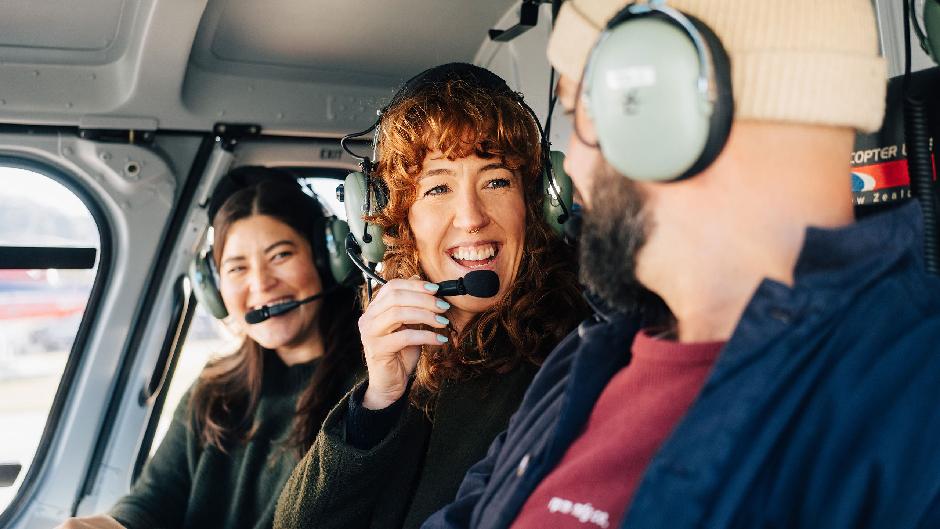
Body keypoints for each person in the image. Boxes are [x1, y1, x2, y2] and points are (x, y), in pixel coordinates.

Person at [422, 1, 940, 528]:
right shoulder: (585, 360)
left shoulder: (914, 421)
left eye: (582, 114)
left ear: (677, 104)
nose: (573, 166)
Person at [273, 63, 588, 529]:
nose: (471, 216)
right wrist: (379, 402)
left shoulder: (574, 355)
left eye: (496, 180)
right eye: (438, 187)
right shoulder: (391, 354)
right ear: (394, 222)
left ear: (538, 200)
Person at [56, 167, 363, 529]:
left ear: (326, 258)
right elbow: (154, 500)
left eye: (280, 255)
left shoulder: (371, 391)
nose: (261, 284)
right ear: (215, 290)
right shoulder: (215, 389)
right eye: (237, 268)